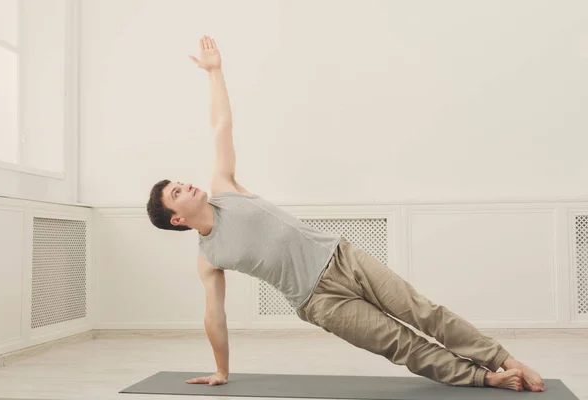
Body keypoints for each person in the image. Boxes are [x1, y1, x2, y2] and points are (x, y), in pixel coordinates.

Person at [146, 35, 545, 393]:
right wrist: (221, 371)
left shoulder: (224, 187)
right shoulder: (208, 258)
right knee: (400, 344)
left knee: (423, 312)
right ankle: (483, 377)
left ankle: (505, 360)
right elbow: (214, 316)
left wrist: (214, 73)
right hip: (319, 302)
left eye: (181, 182)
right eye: (177, 193)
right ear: (177, 219)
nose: (187, 186)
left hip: (343, 257)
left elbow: (221, 125)